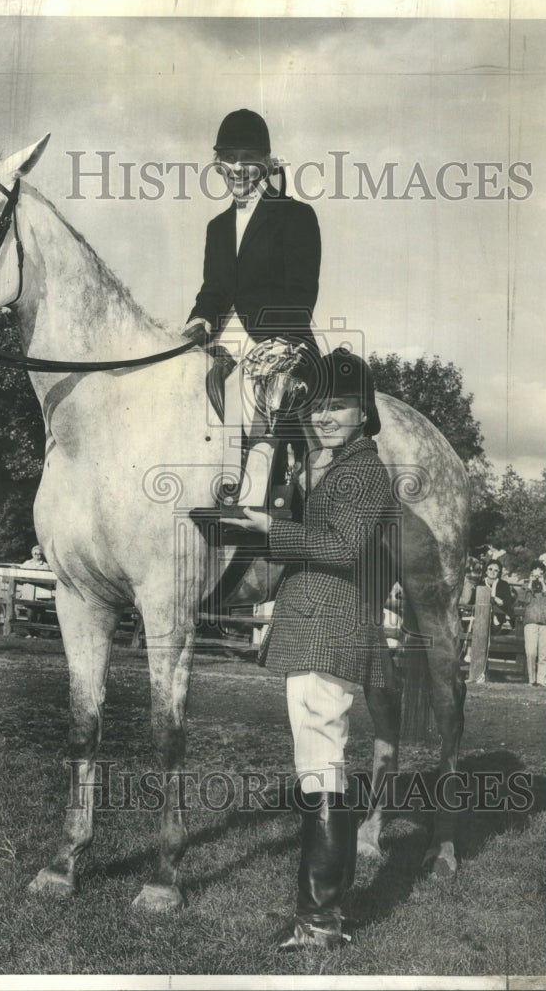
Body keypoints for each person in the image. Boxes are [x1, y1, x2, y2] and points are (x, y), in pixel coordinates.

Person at [223, 349, 394, 949]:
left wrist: (270, 528)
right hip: (316, 624)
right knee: (322, 764)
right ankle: (324, 914)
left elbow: (344, 547)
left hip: (333, 626)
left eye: (339, 406)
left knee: (320, 764)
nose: (324, 416)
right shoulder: (328, 467)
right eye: (317, 405)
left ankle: (319, 922)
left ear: (364, 413)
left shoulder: (366, 471)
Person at [184, 108, 323, 507]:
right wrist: (197, 321)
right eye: (227, 158)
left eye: (247, 157)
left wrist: (280, 342)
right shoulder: (217, 227)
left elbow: (302, 292)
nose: (236, 167)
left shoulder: (296, 216)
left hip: (283, 339)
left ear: (266, 162)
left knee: (260, 393)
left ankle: (278, 501)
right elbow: (213, 291)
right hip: (227, 339)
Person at [521, 561, 546, 686]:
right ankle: (532, 680)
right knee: (531, 652)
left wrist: (543, 584)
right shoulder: (526, 585)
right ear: (531, 572)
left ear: (544, 573)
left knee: (544, 654)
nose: (538, 572)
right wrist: (530, 583)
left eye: (540, 570)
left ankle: (542, 681)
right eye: (535, 569)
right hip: (531, 622)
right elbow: (523, 600)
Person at [480, 560, 515, 632]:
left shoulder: (504, 585)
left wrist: (499, 600)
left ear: (499, 573)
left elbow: (508, 602)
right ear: (486, 571)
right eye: (490, 569)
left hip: (499, 617)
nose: (492, 572)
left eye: (496, 570)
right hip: (481, 615)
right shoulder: (480, 584)